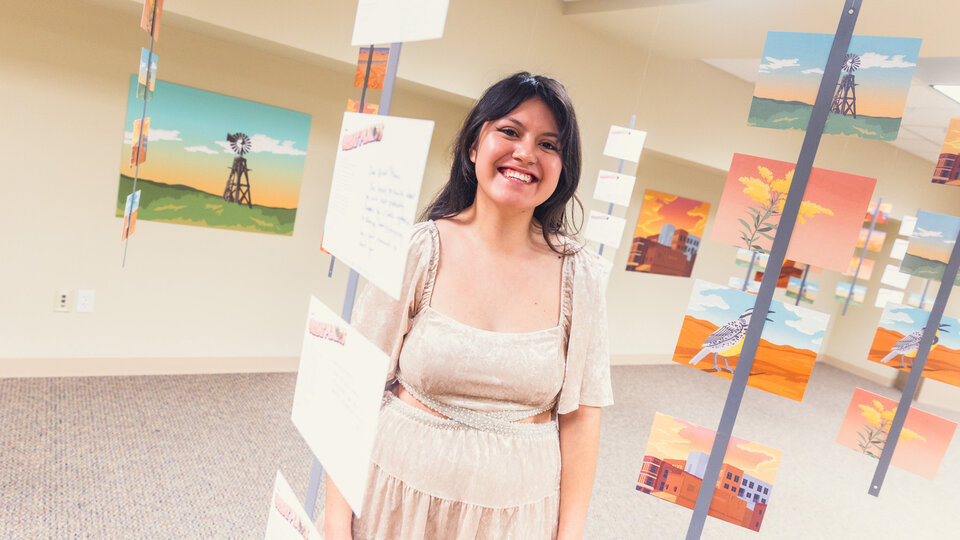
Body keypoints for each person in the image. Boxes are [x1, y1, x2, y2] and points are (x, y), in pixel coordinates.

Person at [323, 72, 613, 540]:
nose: (526, 153)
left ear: (563, 169)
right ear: (474, 145)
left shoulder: (581, 275)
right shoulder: (418, 250)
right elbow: (355, 387)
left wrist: (570, 533)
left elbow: (581, 417)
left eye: (548, 144)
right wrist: (335, 521)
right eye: (510, 131)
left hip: (515, 518)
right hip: (396, 501)